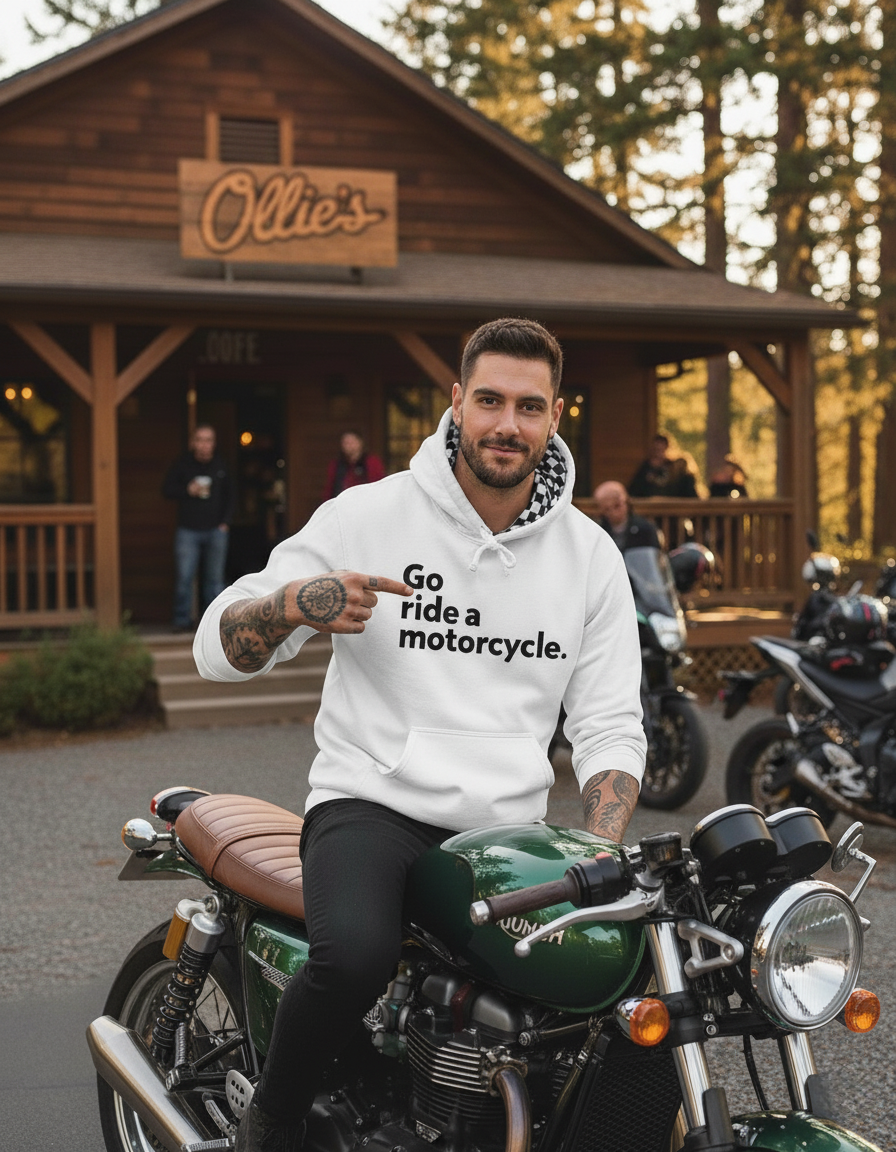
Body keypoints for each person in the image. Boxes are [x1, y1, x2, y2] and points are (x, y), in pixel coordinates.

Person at [194, 318, 647, 1152]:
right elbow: (216, 648)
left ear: (555, 417)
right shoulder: (369, 515)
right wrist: (297, 603)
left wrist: (600, 848)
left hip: (506, 829)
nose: (506, 424)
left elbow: (610, 722)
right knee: (356, 956)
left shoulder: (589, 555)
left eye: (528, 405)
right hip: (373, 804)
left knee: (599, 987)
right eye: (490, 400)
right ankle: (275, 1117)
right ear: (456, 403)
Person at [162, 424, 233, 632]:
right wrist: (187, 489)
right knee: (185, 578)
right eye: (200, 440)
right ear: (193, 443)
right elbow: (166, 490)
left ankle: (213, 624)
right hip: (188, 531)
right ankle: (182, 620)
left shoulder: (221, 465)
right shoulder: (183, 464)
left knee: (215, 580)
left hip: (216, 531)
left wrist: (225, 523)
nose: (204, 445)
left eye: (208, 440)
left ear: (214, 443)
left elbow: (231, 496)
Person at [594, 479, 662, 551]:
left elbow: (652, 558)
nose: (613, 512)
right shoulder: (597, 531)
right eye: (607, 509)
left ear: (626, 502)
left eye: (617, 506)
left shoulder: (645, 529)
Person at [628, 433, 698, 498]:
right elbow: (634, 491)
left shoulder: (676, 469)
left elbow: (689, 494)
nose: (658, 454)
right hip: (649, 507)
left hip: (672, 506)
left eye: (661, 450)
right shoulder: (645, 468)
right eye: (656, 450)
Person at [322, 429, 386, 500]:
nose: (348, 446)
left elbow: (378, 485)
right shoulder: (336, 465)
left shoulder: (372, 462)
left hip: (366, 501)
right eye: (345, 443)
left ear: (360, 443)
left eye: (352, 442)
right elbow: (329, 489)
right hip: (342, 503)